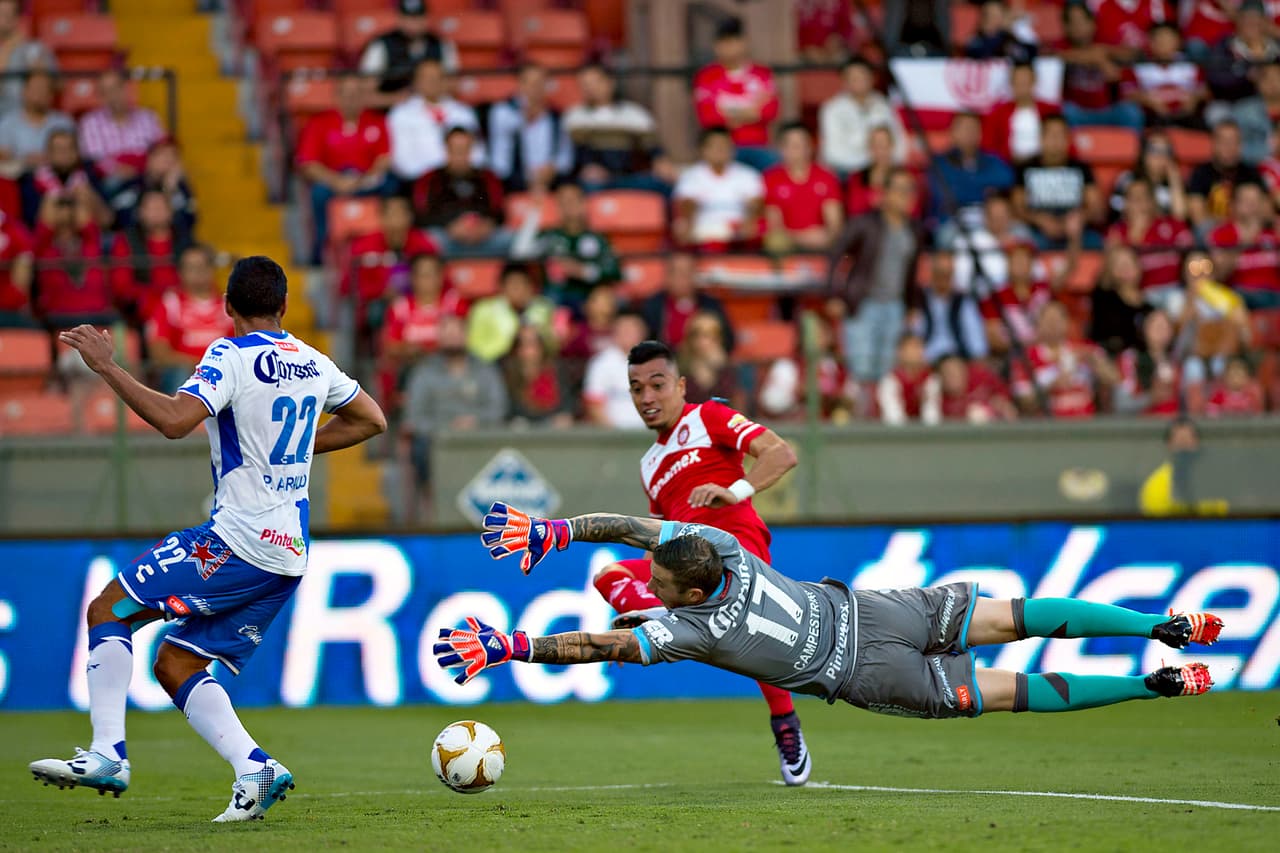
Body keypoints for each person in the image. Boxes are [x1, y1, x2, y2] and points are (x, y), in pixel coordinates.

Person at [29, 256, 388, 820]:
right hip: (288, 556)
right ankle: (255, 768)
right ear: (284, 306)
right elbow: (372, 419)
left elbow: (176, 421)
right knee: (176, 662)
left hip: (235, 543)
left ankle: (107, 754)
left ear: (227, 306)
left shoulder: (229, 355)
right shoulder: (314, 361)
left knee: (109, 609)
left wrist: (107, 367)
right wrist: (295, 449)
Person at [438, 504, 1221, 728]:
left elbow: (594, 644)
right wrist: (559, 530)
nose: (649, 579)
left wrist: (511, 644)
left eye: (657, 582)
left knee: (1009, 690)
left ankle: (1150, 685)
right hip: (874, 609)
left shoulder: (691, 629)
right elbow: (638, 529)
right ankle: (1157, 624)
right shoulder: (720, 545)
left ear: (684, 592)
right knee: (1017, 615)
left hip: (866, 670)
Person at [582, 339, 810, 785]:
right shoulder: (649, 465)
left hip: (734, 550)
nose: (646, 397)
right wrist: (640, 595)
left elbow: (781, 453)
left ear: (681, 385)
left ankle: (785, 722)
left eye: (657, 384)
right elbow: (655, 537)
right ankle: (652, 616)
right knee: (609, 574)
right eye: (636, 389)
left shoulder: (709, 417)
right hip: (684, 559)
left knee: (760, 646)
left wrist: (735, 491)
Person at [402, 313, 507, 518]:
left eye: (456, 332)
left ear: (466, 335)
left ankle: (493, 512)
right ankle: (435, 511)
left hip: (481, 436)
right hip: (436, 440)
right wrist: (447, 428)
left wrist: (476, 421)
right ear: (439, 338)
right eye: (447, 333)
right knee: (421, 449)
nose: (452, 338)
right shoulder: (424, 372)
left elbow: (498, 408)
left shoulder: (485, 369)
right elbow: (414, 417)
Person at [826, 167, 924, 383]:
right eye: (900, 189)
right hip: (863, 304)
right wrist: (834, 295)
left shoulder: (914, 230)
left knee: (886, 372)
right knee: (861, 369)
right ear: (885, 193)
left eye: (910, 190)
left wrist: (911, 305)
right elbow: (837, 256)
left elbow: (911, 273)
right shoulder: (865, 224)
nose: (906, 196)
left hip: (895, 306)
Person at [296, 75, 392, 265]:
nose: (351, 99)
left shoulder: (377, 121)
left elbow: (384, 159)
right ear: (337, 96)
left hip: (366, 181)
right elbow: (308, 163)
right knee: (318, 194)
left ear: (363, 97)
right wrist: (336, 181)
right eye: (347, 94)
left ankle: (385, 245)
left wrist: (362, 180)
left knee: (392, 187)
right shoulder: (319, 123)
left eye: (356, 94)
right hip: (332, 182)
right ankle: (322, 246)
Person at [564, 63, 676, 192]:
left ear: (610, 82)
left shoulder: (635, 114)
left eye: (595, 82)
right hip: (593, 181)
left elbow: (653, 149)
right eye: (585, 84)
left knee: (664, 185)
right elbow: (572, 156)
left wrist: (662, 162)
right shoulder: (573, 117)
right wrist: (588, 167)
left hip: (631, 177)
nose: (591, 88)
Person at [513, 177, 621, 311]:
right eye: (562, 202)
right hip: (553, 302)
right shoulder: (550, 237)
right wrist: (534, 212)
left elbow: (614, 271)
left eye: (572, 200)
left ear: (583, 203)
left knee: (604, 298)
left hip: (588, 302)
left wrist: (582, 271)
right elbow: (520, 252)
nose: (568, 206)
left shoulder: (597, 238)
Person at [692, 18, 780, 172]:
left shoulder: (762, 73)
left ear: (744, 42)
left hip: (759, 146)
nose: (729, 47)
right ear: (716, 46)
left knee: (776, 169)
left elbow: (770, 111)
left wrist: (727, 112)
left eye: (733, 41)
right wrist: (750, 111)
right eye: (724, 42)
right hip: (724, 149)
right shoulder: (706, 76)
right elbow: (708, 117)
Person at [144, 244, 234, 393]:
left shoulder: (228, 305)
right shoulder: (171, 303)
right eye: (191, 267)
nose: (198, 272)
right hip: (184, 375)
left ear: (212, 269)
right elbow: (158, 353)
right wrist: (200, 366)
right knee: (180, 374)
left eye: (202, 266)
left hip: (223, 374)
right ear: (180, 272)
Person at [412, 127, 509, 257]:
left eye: (464, 150)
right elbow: (421, 215)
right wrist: (449, 226)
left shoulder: (488, 177)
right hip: (447, 238)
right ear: (446, 150)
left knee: (508, 239)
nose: (460, 156)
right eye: (456, 150)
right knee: (431, 238)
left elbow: (500, 212)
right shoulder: (429, 179)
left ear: (471, 150)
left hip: (483, 238)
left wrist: (486, 225)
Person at [1014, 300, 1119, 418]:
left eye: (1057, 320)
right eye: (1049, 320)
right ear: (1039, 324)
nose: (1053, 325)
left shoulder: (1084, 349)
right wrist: (1052, 387)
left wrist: (1095, 361)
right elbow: (1024, 401)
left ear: (1066, 322)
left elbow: (1114, 380)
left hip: (1086, 420)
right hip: (1047, 423)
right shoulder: (1026, 358)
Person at [1013, 115, 1103, 249]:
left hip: (1076, 232)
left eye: (1060, 135)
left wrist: (1081, 217)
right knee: (1023, 242)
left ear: (1068, 140)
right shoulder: (1026, 168)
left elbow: (1097, 209)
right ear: (1041, 139)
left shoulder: (1081, 168)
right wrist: (1039, 220)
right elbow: (1017, 209)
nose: (1056, 140)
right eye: (1051, 135)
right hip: (1038, 232)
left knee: (1096, 242)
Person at [388, 60, 482, 184]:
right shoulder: (401, 114)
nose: (433, 82)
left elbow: (478, 152)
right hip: (417, 182)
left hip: (461, 178)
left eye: (438, 77)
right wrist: (432, 177)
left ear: (446, 80)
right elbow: (401, 159)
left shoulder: (464, 112)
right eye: (427, 78)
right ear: (416, 82)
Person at [672, 126, 764, 252]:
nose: (720, 150)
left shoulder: (748, 175)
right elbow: (687, 204)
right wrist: (688, 222)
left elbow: (756, 204)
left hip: (739, 231)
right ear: (703, 150)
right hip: (705, 230)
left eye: (724, 146)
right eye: (715, 146)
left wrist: (750, 220)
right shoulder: (690, 176)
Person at [487, 63, 574, 194]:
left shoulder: (556, 117)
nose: (535, 88)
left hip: (550, 181)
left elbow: (565, 156)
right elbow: (499, 158)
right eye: (531, 83)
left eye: (540, 83)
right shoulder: (503, 111)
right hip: (512, 182)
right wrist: (523, 117)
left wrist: (552, 168)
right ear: (520, 85)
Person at [1057, 2, 1144, 131]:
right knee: (1064, 111)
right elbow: (1055, 56)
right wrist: (1096, 58)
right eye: (1072, 22)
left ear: (1093, 23)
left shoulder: (1104, 41)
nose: (1078, 27)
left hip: (1108, 111)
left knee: (1131, 112)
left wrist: (1102, 54)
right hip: (1078, 112)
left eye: (1082, 21)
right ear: (1065, 27)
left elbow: (1131, 55)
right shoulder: (1060, 45)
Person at [762, 122, 843, 254]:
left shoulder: (827, 178)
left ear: (811, 147)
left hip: (822, 245)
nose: (798, 150)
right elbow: (775, 226)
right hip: (789, 246)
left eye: (803, 144)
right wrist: (806, 238)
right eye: (793, 145)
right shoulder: (771, 179)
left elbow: (835, 225)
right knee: (776, 241)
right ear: (782, 149)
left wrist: (824, 237)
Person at [928, 112, 1013, 236]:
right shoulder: (939, 163)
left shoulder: (993, 161)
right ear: (952, 132)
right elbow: (943, 196)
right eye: (964, 128)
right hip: (953, 223)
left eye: (974, 128)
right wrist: (984, 189)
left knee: (1023, 235)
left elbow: (1007, 183)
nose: (969, 133)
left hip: (992, 222)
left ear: (980, 133)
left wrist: (963, 183)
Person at [77, 68, 165, 187]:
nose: (113, 95)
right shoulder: (90, 123)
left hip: (148, 177)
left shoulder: (148, 118)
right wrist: (119, 169)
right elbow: (94, 160)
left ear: (126, 88)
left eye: (116, 88)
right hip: (110, 183)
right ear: (100, 97)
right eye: (106, 92)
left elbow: (163, 150)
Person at [818, 57, 906, 175]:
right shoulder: (832, 109)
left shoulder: (884, 104)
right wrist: (870, 162)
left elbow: (899, 142)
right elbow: (833, 153)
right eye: (854, 78)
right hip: (845, 172)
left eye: (863, 76)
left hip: (882, 169)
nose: (859, 81)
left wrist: (884, 163)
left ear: (872, 78)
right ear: (844, 81)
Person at [358, 0, 457, 99]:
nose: (413, 24)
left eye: (417, 18)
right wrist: (395, 98)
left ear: (426, 19)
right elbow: (366, 87)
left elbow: (453, 84)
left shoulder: (441, 43)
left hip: (431, 104)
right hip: (393, 106)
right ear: (399, 19)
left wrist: (426, 93)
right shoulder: (382, 43)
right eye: (408, 18)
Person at [1205, 180, 1280, 309]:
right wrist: (1244, 242)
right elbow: (1219, 275)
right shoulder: (1221, 234)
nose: (1252, 206)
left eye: (1256, 201)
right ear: (1234, 205)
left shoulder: (1273, 231)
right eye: (1246, 201)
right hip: (1239, 295)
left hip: (1274, 294)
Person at [640, 252, 734, 353]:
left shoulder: (711, 305)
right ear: (667, 277)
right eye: (677, 272)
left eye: (688, 272)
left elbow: (728, 341)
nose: (683, 277)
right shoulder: (653, 305)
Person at [465, 262, 557, 362]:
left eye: (523, 284)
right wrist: (513, 340)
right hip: (494, 365)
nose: (518, 290)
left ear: (530, 286)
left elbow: (552, 346)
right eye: (513, 285)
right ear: (502, 287)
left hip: (535, 364)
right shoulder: (483, 309)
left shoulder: (544, 307)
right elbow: (475, 349)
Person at [1122, 23, 1207, 129]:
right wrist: (1147, 100)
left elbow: (1205, 92)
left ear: (1178, 42)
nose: (1164, 44)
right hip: (1152, 119)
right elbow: (1127, 95)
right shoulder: (1137, 67)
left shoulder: (1191, 66)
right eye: (1159, 40)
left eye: (1168, 40)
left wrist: (1194, 98)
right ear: (1150, 43)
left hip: (1187, 117)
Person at [1139, 416, 1229, 515]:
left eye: (1188, 442)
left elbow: (1221, 516)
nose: (1184, 448)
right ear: (1168, 445)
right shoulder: (1155, 485)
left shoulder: (1213, 482)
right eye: (1180, 443)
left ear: (1198, 444)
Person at [1187, 120, 1263, 231]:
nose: (1229, 147)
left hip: (1247, 232)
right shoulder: (1201, 174)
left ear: (1240, 145)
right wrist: (1230, 226)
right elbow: (1197, 216)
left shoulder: (1251, 173)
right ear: (1214, 144)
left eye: (1234, 141)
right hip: (1213, 233)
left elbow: (1266, 210)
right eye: (1224, 142)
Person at [581, 310, 651, 429]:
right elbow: (593, 405)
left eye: (632, 330)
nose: (628, 335)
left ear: (643, 333)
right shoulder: (601, 363)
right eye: (624, 330)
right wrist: (614, 434)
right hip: (612, 434)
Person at [916, 251, 987, 363]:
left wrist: (978, 357)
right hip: (926, 358)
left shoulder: (963, 301)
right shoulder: (920, 299)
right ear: (932, 273)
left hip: (957, 358)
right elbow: (915, 334)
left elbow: (975, 337)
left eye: (947, 274)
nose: (943, 278)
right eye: (940, 273)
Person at [982, 62, 1058, 166]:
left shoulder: (1050, 111)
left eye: (1025, 82)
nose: (1022, 87)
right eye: (1018, 82)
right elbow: (988, 146)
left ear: (1034, 81)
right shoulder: (998, 113)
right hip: (1008, 166)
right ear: (1011, 84)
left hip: (1043, 165)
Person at [500, 324, 574, 428]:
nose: (526, 350)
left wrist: (563, 416)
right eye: (520, 344)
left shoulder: (556, 372)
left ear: (541, 347)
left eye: (532, 343)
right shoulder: (505, 374)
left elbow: (567, 405)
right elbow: (506, 409)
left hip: (552, 429)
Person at [0, 71, 74, 174]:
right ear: (24, 92)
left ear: (51, 95)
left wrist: (51, 159)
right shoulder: (7, 123)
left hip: (57, 176)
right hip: (19, 178)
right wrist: (24, 161)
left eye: (44, 90)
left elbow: (74, 158)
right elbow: (3, 158)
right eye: (35, 89)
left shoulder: (64, 122)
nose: (39, 94)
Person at [1108, 130, 1187, 222]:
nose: (1160, 156)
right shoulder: (1128, 178)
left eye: (1166, 151)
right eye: (1154, 150)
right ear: (1143, 153)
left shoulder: (1173, 184)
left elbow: (1180, 218)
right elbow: (1116, 212)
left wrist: (1174, 180)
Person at [0, 0, 58, 118]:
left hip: (27, 117)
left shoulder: (34, 48)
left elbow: (59, 84)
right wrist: (7, 50)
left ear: (16, 19)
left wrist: (42, 75)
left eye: (7, 14)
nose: (3, 19)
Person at [678, 311, 743, 411]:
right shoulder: (681, 366)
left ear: (718, 339)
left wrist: (716, 367)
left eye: (707, 336)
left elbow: (728, 401)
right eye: (696, 336)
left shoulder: (727, 368)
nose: (701, 342)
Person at [877, 332, 940, 425]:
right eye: (911, 348)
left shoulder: (930, 379)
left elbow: (932, 416)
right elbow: (893, 417)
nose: (916, 352)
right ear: (900, 352)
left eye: (918, 347)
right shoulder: (890, 380)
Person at [965, 0, 1036, 62]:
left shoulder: (1010, 37)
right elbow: (977, 54)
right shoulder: (975, 39)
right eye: (988, 15)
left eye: (995, 15)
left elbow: (1028, 54)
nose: (991, 19)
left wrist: (1013, 30)